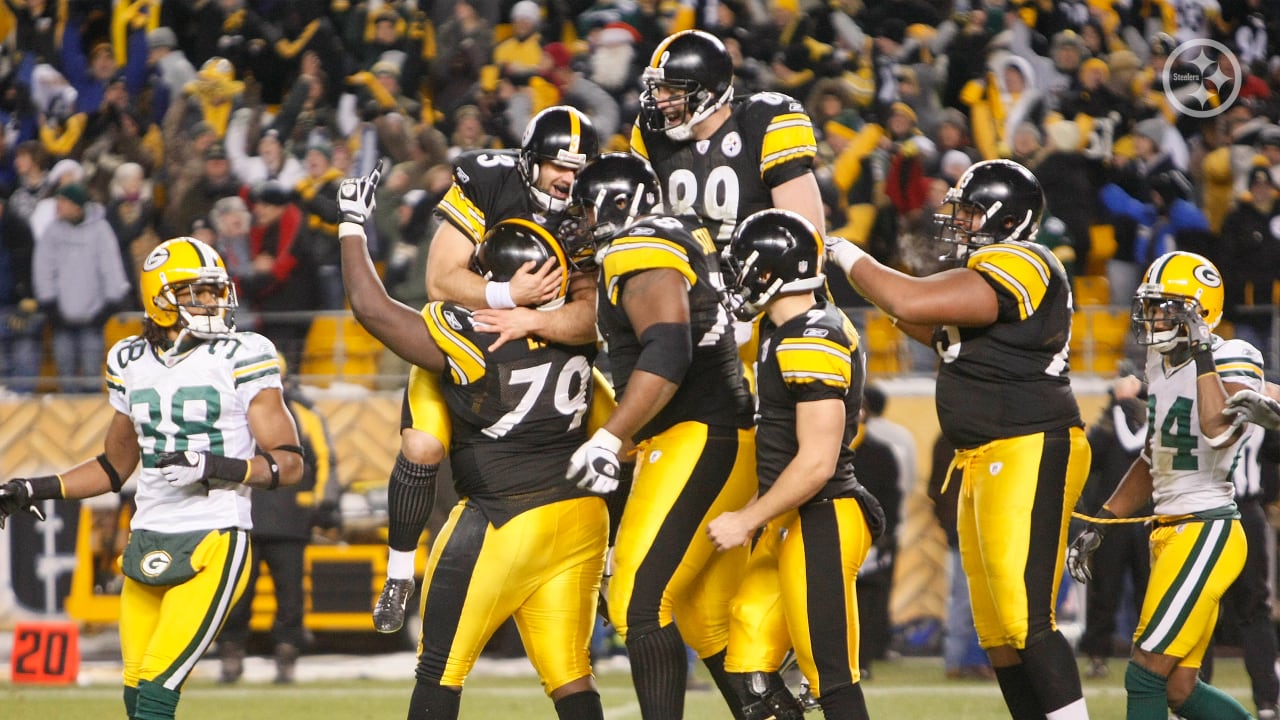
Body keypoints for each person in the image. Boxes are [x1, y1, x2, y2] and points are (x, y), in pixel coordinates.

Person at [337, 168, 609, 720]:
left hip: (504, 516)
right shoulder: (578, 326)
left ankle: (396, 571)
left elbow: (371, 308)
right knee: (570, 676)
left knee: (439, 668)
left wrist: (349, 227)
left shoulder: (472, 330)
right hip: (582, 517)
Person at [825, 158, 1091, 719]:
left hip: (1030, 443)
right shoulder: (987, 274)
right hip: (989, 454)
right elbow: (926, 322)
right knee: (996, 629)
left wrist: (847, 254)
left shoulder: (1024, 260)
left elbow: (912, 301)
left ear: (1007, 219)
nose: (960, 223)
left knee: (1025, 618)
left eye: (971, 212)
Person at [0, 236, 303, 720]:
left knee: (159, 689)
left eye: (215, 291)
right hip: (147, 534)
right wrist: (33, 488)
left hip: (215, 533)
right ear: (160, 299)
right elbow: (112, 467)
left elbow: (288, 462)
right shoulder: (128, 360)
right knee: (136, 693)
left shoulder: (244, 353)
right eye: (196, 293)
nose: (211, 302)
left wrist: (214, 467)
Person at [371, 105, 602, 635]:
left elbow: (591, 315)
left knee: (619, 436)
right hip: (466, 338)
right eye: (556, 165)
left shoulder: (590, 206)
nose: (568, 178)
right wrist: (508, 295)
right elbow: (441, 279)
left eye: (578, 167)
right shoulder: (489, 181)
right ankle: (400, 572)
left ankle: (610, 562)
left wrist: (529, 318)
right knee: (423, 447)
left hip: (547, 348)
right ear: (530, 161)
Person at [567, 153, 758, 719]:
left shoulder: (638, 245)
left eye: (584, 208)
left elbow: (669, 348)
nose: (576, 220)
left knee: (638, 605)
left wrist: (609, 437)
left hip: (697, 435)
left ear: (618, 204)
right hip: (710, 437)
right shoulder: (674, 235)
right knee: (707, 618)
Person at [1067, 250, 1264, 720]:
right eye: (1151, 306)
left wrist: (1201, 353)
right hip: (1170, 528)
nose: (1153, 317)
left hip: (1206, 528)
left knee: (1143, 674)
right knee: (1178, 689)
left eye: (1165, 307)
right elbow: (1154, 455)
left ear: (1198, 312)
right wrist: (1106, 521)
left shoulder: (1230, 354)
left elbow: (1217, 427)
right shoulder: (1159, 361)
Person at [709, 208, 886, 719]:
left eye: (743, 265)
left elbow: (817, 463)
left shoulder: (813, 333)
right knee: (750, 668)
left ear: (769, 272)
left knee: (829, 674)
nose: (736, 278)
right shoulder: (783, 327)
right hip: (795, 517)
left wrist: (748, 519)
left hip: (825, 512)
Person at [630, 29, 826, 248]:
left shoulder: (761, 123)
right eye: (658, 90)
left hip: (755, 272)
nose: (660, 102)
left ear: (708, 93)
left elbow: (805, 238)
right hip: (682, 272)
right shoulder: (649, 130)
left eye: (672, 92)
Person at [218, 359, 343, 685]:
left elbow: (325, 462)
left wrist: (324, 503)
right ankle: (233, 654)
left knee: (288, 596)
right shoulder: (234, 416)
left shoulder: (303, 415)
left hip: (286, 519)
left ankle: (284, 656)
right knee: (238, 594)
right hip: (246, 517)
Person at [1200, 420, 1280, 720]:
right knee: (1253, 610)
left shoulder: (1204, 397)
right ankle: (1267, 702)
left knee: (1201, 609)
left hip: (1207, 513)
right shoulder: (1258, 405)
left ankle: (1191, 697)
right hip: (1244, 514)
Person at [1076, 367, 1151, 681]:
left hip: (1149, 518)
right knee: (1105, 591)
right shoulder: (1104, 430)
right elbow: (1089, 463)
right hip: (1112, 521)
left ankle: (1151, 656)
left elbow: (1138, 447)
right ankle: (1097, 653)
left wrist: (1126, 405)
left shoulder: (1156, 424)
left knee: (1150, 591)